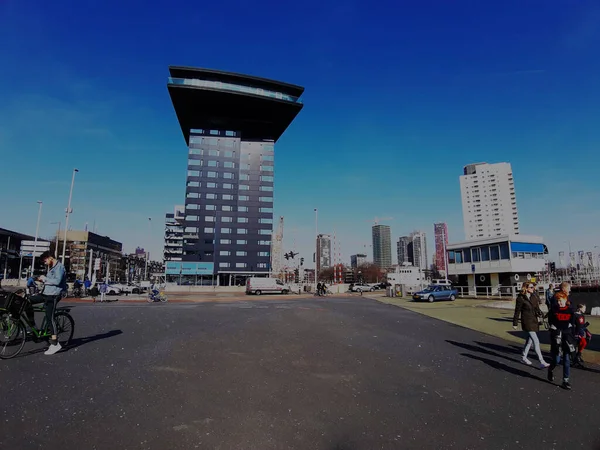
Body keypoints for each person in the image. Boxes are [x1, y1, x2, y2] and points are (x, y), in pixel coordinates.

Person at [26, 251, 67, 356]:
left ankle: (55, 343)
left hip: (53, 295)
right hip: (45, 293)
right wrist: (41, 279)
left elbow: (57, 281)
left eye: (44, 260)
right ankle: (33, 326)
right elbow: (50, 281)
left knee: (50, 317)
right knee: (27, 301)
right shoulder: (52, 268)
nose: (44, 263)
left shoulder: (60, 267)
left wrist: (44, 279)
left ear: (50, 257)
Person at [513, 282, 549, 368]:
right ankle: (542, 361)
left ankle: (523, 356)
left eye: (533, 287)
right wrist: (515, 323)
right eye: (531, 287)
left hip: (534, 320)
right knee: (535, 340)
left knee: (529, 340)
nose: (533, 289)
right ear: (526, 288)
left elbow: (537, 308)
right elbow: (517, 311)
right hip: (526, 321)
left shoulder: (534, 296)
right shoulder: (520, 298)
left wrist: (542, 315)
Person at [547, 291, 576, 390]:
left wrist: (573, 335)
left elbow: (572, 324)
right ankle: (550, 369)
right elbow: (551, 323)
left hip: (567, 337)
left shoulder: (571, 310)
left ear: (565, 300)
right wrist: (553, 329)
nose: (559, 302)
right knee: (556, 360)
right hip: (557, 337)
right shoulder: (554, 310)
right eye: (558, 301)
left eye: (561, 300)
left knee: (567, 360)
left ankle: (565, 380)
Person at [573, 303, 591, 368]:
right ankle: (575, 358)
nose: (585, 310)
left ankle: (578, 355)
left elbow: (582, 326)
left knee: (584, 342)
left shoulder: (582, 316)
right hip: (575, 333)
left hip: (580, 332)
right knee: (581, 343)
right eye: (584, 308)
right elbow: (575, 325)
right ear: (580, 308)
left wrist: (586, 328)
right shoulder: (574, 315)